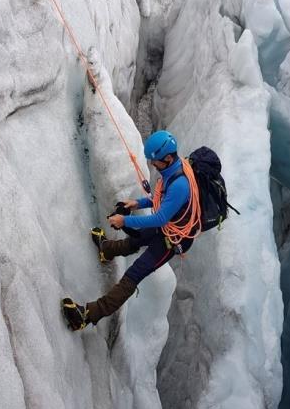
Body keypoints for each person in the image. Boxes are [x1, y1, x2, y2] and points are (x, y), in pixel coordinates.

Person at [62, 130, 199, 331]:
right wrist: (136, 203)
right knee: (138, 239)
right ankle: (106, 250)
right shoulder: (173, 170)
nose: (153, 165)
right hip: (169, 226)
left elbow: (161, 216)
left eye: (156, 161)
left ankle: (87, 316)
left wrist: (124, 220)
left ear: (168, 158)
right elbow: (162, 200)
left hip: (174, 240)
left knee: (134, 274)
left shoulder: (179, 184)